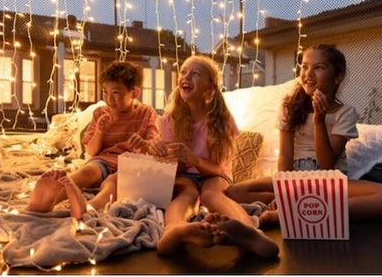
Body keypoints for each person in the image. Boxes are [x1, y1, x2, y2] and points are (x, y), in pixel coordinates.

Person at [225, 44, 382, 226]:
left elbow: (327, 163)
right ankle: (302, 207)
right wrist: (284, 192)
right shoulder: (290, 107)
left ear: (337, 77)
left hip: (328, 182)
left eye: (319, 68)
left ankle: (293, 213)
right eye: (305, 67)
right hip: (295, 180)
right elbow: (285, 156)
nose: (308, 74)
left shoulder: (345, 113)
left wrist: (319, 121)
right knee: (234, 192)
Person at [149, 55, 278, 258]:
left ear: (209, 89)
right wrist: (163, 153)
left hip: (214, 175)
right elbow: (178, 170)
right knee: (186, 193)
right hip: (186, 176)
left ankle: (251, 233)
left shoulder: (222, 121)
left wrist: (193, 159)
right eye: (183, 72)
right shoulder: (169, 120)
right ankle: (174, 230)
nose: (186, 76)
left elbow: (218, 169)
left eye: (196, 74)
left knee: (211, 195)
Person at [26, 60, 159, 219]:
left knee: (112, 185)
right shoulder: (99, 113)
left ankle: (88, 208)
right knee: (86, 172)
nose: (109, 99)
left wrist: (144, 144)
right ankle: (49, 199)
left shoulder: (146, 113)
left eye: (116, 93)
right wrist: (100, 130)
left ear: (134, 93)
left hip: (131, 165)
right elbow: (91, 151)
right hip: (104, 161)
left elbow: (153, 147)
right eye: (105, 92)